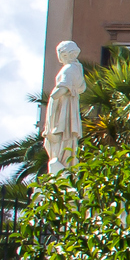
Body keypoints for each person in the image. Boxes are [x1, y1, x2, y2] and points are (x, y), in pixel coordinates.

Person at [42, 41, 85, 174]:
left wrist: (53, 96)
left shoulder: (69, 69)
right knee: (65, 140)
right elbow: (81, 87)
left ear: (65, 54)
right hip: (67, 107)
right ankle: (65, 166)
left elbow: (62, 88)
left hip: (63, 109)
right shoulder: (77, 68)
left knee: (59, 139)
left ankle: (62, 167)